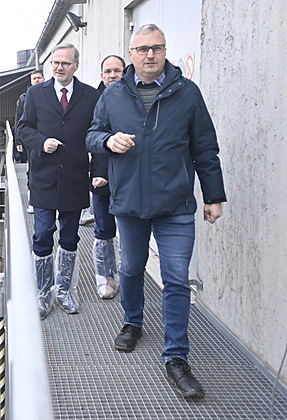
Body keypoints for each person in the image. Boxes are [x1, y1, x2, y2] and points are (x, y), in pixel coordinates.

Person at [86, 23, 226, 399]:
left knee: (176, 279)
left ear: (166, 52)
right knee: (130, 268)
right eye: (143, 49)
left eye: (158, 48)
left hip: (175, 205)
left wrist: (213, 196)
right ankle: (133, 323)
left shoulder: (187, 93)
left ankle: (176, 357)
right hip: (130, 204)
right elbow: (92, 134)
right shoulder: (113, 95)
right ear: (131, 54)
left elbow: (205, 148)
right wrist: (107, 140)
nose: (151, 54)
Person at [17, 42, 100, 319]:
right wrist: (41, 142)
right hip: (43, 178)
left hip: (74, 178)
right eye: (55, 63)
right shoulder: (35, 94)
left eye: (65, 63)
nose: (59, 67)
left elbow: (97, 133)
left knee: (69, 237)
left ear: (75, 65)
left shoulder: (89, 96)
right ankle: (42, 295)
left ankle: (64, 291)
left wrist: (97, 169)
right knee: (42, 234)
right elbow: (23, 128)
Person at [90, 54, 126, 299]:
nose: (112, 75)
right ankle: (106, 278)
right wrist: (99, 172)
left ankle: (128, 275)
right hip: (101, 178)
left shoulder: (132, 98)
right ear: (101, 75)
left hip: (128, 178)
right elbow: (94, 138)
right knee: (104, 230)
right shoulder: (94, 100)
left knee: (130, 230)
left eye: (117, 70)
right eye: (108, 71)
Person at [14, 70, 45, 213]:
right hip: (31, 140)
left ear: (44, 79)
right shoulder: (23, 98)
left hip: (48, 138)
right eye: (34, 78)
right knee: (32, 169)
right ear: (31, 81)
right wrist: (18, 141)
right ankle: (33, 200)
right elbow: (19, 119)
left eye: (39, 78)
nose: (37, 80)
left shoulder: (50, 95)